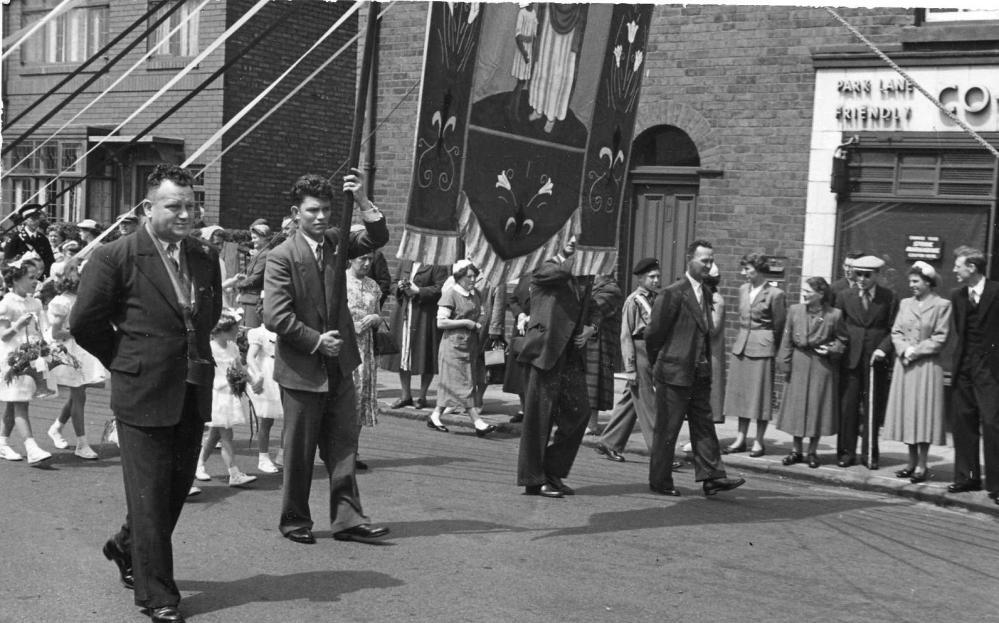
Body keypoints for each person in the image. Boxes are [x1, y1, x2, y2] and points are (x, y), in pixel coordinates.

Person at [70, 163, 222, 623]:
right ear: (147, 208)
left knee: (173, 492)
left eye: (191, 205)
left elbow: (207, 314)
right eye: (174, 206)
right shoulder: (116, 256)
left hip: (192, 386)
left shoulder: (202, 254)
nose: (185, 214)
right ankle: (158, 596)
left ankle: (125, 546)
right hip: (141, 390)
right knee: (151, 495)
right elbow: (84, 323)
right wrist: (126, 358)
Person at [263, 170, 390, 546]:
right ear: (296, 212)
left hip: (340, 366)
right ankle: (294, 519)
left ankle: (348, 520)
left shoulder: (336, 242)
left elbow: (377, 236)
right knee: (299, 452)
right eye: (313, 210)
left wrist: (364, 199)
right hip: (302, 368)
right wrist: (317, 341)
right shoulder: (281, 255)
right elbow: (276, 316)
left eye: (327, 211)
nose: (321, 217)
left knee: (343, 446)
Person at [645, 240, 745, 497]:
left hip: (699, 373)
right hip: (674, 373)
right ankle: (660, 481)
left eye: (711, 261)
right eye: (704, 261)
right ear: (690, 260)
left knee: (704, 426)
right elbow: (654, 334)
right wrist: (662, 365)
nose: (709, 265)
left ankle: (712, 477)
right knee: (668, 430)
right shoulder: (673, 292)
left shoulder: (708, 294)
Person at [516, 236, 601, 498]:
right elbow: (549, 275)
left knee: (580, 413)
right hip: (546, 350)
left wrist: (592, 327)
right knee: (539, 418)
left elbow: (593, 304)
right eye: (569, 236)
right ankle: (534, 479)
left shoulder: (583, 270)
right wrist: (583, 261)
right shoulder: (545, 266)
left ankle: (552, 471)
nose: (574, 241)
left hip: (571, 353)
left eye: (579, 237)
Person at [883, 262, 951, 484]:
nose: (911, 285)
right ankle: (910, 463)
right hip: (905, 365)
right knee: (907, 414)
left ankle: (922, 464)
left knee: (923, 414)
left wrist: (917, 351)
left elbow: (941, 337)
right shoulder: (905, 303)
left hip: (927, 367)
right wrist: (904, 349)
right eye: (910, 281)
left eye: (916, 281)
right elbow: (896, 331)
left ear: (928, 282)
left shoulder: (942, 305)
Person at [774, 277, 847, 468]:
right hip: (799, 363)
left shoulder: (834, 315)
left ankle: (812, 452)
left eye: (808, 291)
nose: (804, 293)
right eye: (803, 290)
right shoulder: (794, 311)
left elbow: (842, 340)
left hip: (821, 366)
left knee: (817, 407)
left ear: (821, 294)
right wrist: (785, 365)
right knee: (797, 408)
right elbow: (787, 339)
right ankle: (796, 450)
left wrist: (832, 350)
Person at [947, 246, 999, 502]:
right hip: (964, 366)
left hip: (990, 369)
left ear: (972, 268)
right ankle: (967, 477)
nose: (954, 270)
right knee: (963, 422)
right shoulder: (957, 296)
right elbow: (960, 330)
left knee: (992, 423)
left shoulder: (996, 291)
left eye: (958, 266)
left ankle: (997, 485)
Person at [595, 258, 661, 462]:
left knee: (630, 402)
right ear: (640, 279)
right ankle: (660, 453)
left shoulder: (656, 299)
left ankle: (609, 442)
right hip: (638, 351)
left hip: (651, 352)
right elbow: (625, 336)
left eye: (658, 276)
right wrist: (630, 368)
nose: (656, 280)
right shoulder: (633, 301)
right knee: (649, 406)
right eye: (651, 277)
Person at [835, 254, 896, 470]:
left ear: (877, 275)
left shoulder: (888, 297)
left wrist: (883, 349)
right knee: (848, 407)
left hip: (875, 360)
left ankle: (870, 454)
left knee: (873, 407)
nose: (861, 278)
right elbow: (838, 325)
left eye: (867, 275)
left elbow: (893, 329)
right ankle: (846, 452)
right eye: (858, 274)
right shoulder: (844, 296)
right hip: (851, 358)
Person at [724, 253, 786, 457]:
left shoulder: (775, 294)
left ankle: (759, 441)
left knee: (760, 397)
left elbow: (779, 325)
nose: (744, 273)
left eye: (748, 270)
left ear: (759, 270)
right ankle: (740, 438)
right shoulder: (743, 289)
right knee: (741, 395)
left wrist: (772, 346)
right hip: (742, 346)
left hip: (762, 348)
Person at [426, 260, 498, 437]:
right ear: (459, 278)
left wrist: (478, 322)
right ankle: (477, 422)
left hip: (470, 345)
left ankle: (435, 416)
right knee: (464, 384)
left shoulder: (475, 294)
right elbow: (441, 322)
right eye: (469, 276)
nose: (473, 280)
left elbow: (480, 312)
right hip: (453, 346)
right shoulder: (450, 294)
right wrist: (466, 322)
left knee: (455, 382)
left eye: (475, 276)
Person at [45, 267, 108, 460]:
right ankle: (81, 444)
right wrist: (81, 331)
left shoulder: (79, 299)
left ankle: (56, 427)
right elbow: (56, 333)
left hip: (80, 349)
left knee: (79, 393)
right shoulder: (61, 302)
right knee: (79, 395)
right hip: (66, 351)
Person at [194, 310, 257, 488]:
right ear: (222, 330)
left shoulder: (233, 347)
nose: (237, 331)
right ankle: (234, 473)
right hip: (217, 396)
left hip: (230, 395)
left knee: (215, 434)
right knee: (226, 435)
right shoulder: (210, 348)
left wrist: (253, 382)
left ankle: (198, 464)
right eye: (235, 328)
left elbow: (239, 367)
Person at [0, 259, 54, 465]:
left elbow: (41, 329)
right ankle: (31, 447)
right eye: (30, 277)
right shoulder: (6, 304)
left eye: (37, 276)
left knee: (16, 402)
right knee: (20, 402)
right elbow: (3, 336)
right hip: (13, 358)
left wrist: (44, 345)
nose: (36, 281)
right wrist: (17, 325)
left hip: (31, 358)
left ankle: (3, 443)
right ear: (15, 280)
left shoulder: (36, 303)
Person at [380, 259, 448, 409]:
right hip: (403, 312)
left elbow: (442, 288)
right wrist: (399, 287)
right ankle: (405, 395)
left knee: (425, 352)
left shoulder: (437, 264)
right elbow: (392, 284)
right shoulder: (405, 262)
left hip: (424, 314)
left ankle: (423, 396)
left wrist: (419, 291)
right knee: (403, 353)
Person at [346, 250, 383, 468]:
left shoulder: (373, 285)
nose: (367, 263)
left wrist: (376, 318)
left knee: (360, 400)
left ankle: (353, 452)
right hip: (345, 346)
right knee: (346, 399)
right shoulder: (339, 282)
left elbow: (379, 314)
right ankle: (337, 452)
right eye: (362, 258)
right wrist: (351, 326)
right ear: (351, 258)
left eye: (370, 259)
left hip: (366, 349)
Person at [583, 273, 623, 435]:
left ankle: (592, 424)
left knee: (594, 381)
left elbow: (594, 309)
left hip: (600, 343)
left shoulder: (611, 291)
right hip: (588, 340)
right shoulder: (592, 287)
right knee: (585, 382)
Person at [246, 321, 283, 473]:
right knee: (266, 420)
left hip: (285, 372)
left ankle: (283, 454)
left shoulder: (284, 329)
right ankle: (263, 457)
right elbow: (250, 357)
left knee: (291, 418)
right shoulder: (258, 333)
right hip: (268, 374)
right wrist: (258, 374)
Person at [502, 272, 532, 423]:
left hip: (538, 328)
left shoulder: (551, 276)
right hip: (520, 328)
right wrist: (520, 314)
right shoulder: (525, 277)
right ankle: (523, 408)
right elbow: (513, 299)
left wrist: (533, 317)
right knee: (518, 371)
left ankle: (534, 411)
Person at [235, 222, 272, 328]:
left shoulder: (265, 254)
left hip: (253, 299)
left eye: (255, 238)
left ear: (264, 238)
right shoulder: (260, 253)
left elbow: (256, 278)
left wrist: (238, 284)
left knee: (249, 331)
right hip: (248, 298)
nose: (253, 240)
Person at [4, 204, 55, 277]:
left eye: (38, 218)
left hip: (40, 281)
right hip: (21, 280)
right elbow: (7, 263)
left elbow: (50, 262)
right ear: (25, 220)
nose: (36, 221)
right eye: (33, 218)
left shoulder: (43, 239)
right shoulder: (15, 238)